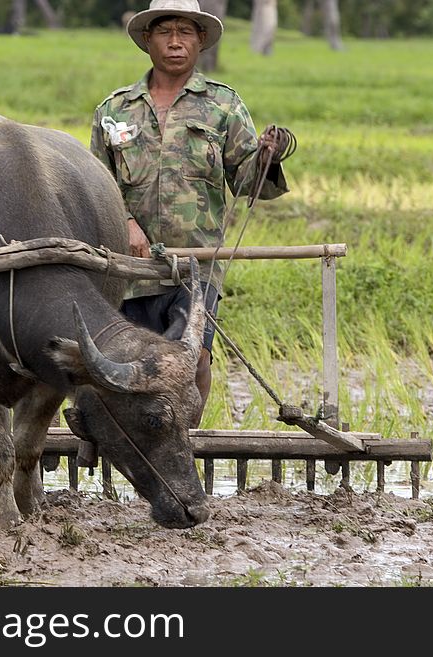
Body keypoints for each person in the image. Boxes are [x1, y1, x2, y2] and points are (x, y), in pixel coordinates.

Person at [90, 0, 291, 426]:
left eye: (186, 32)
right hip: (130, 267)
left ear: (200, 41)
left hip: (197, 264)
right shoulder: (114, 110)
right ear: (148, 40)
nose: (176, 42)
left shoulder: (223, 105)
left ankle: (183, 440)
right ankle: (128, 443)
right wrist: (125, 223)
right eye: (166, 32)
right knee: (126, 362)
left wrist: (268, 156)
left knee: (194, 358)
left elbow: (246, 181)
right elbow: (96, 183)